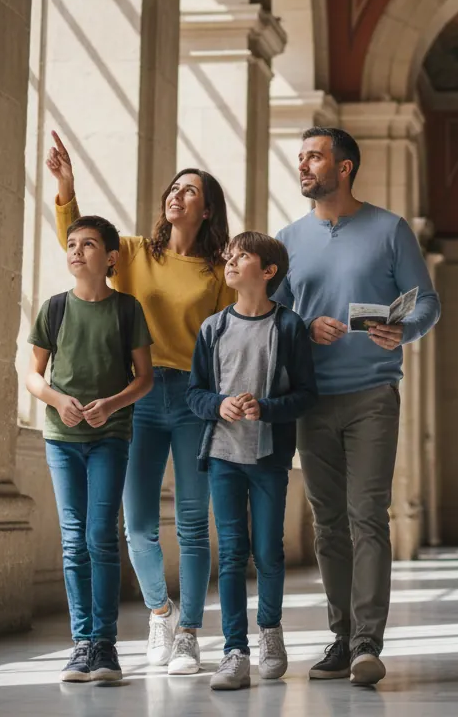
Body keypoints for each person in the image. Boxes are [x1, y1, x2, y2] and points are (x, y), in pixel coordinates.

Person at [47, 132, 235, 675]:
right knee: (139, 525)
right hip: (141, 398)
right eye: (173, 187)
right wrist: (66, 189)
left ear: (207, 208)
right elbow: (79, 244)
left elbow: (225, 341)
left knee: (195, 523)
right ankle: (160, 610)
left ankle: (191, 634)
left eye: (190, 189)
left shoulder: (217, 272)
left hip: (197, 398)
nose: (176, 194)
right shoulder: (130, 253)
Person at [273, 127, 440, 686]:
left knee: (368, 516)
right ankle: (340, 638)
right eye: (300, 158)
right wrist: (300, 326)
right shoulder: (287, 238)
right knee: (328, 525)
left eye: (314, 157)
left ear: (344, 168)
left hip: (372, 393)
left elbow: (428, 303)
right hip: (310, 400)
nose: (304, 166)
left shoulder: (390, 229)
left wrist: (403, 328)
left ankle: (368, 642)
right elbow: (268, 319)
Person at [186, 231, 318, 690]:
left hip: (267, 457)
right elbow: (195, 394)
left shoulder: (289, 327)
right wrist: (219, 405)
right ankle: (234, 651)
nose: (231, 260)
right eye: (230, 254)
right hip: (222, 455)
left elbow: (306, 394)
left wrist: (266, 408)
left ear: (267, 272)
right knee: (231, 553)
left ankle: (271, 632)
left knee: (268, 550)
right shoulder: (212, 328)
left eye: (243, 256)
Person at [25, 215, 154, 683]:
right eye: (72, 244)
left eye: (89, 244)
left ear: (111, 258)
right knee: (73, 537)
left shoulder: (127, 309)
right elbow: (33, 375)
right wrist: (59, 400)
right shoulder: (53, 308)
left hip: (110, 437)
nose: (76, 251)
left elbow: (145, 379)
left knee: (101, 535)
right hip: (62, 439)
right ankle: (82, 644)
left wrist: (111, 404)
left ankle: (106, 645)